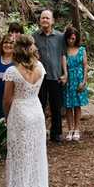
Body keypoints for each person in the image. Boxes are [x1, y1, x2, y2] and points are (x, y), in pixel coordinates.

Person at [2, 35, 85, 187]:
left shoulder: (12, 71)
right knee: (36, 155)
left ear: (17, 49)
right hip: (36, 112)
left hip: (20, 113)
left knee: (20, 157)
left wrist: (7, 116)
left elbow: (6, 100)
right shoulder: (40, 67)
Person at [31, 10, 68, 143]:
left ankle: (56, 133)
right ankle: (39, 133)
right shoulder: (33, 37)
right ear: (40, 20)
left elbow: (63, 55)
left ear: (52, 21)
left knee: (55, 106)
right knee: (39, 105)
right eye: (42, 18)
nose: (45, 20)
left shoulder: (59, 37)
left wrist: (65, 73)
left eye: (47, 18)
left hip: (55, 75)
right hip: (38, 77)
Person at [62, 27, 88, 141]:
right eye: (69, 38)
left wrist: (84, 81)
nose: (70, 41)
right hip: (68, 80)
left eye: (73, 39)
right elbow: (64, 67)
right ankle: (70, 129)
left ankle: (77, 129)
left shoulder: (81, 50)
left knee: (77, 105)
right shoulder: (64, 50)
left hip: (78, 78)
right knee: (68, 106)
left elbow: (85, 66)